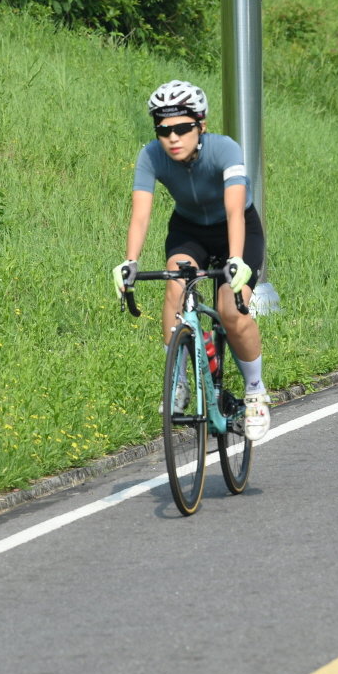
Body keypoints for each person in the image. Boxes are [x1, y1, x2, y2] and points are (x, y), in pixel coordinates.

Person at [113, 80, 270, 441]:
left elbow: (235, 210)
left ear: (201, 125)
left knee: (230, 310)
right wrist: (129, 261)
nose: (173, 138)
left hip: (237, 229)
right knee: (175, 287)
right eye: (163, 130)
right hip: (189, 230)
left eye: (182, 128)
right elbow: (140, 215)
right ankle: (178, 382)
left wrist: (235, 258)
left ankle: (255, 392)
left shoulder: (225, 149)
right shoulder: (150, 156)